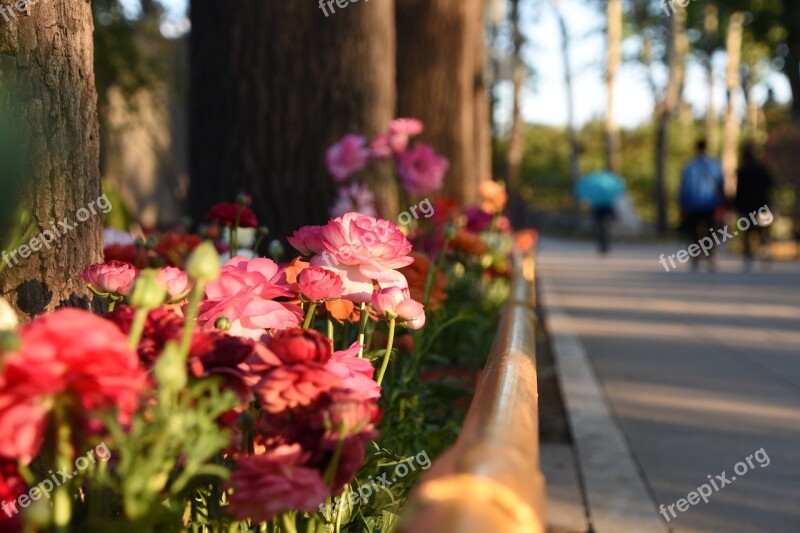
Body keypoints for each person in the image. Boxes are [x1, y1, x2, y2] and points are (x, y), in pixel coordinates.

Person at [679, 140, 725, 271]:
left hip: (693, 204)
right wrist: (723, 203)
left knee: (694, 231)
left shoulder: (689, 166)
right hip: (711, 203)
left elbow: (685, 187)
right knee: (712, 231)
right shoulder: (714, 165)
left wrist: (683, 204)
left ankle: (696, 257)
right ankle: (711, 256)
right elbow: (720, 184)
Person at [736, 143, 773, 270]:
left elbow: (739, 192)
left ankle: (748, 258)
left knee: (747, 234)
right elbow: (770, 185)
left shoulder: (742, 171)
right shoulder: (762, 169)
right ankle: (764, 254)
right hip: (762, 206)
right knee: (763, 232)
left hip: (747, 208)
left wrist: (737, 207)